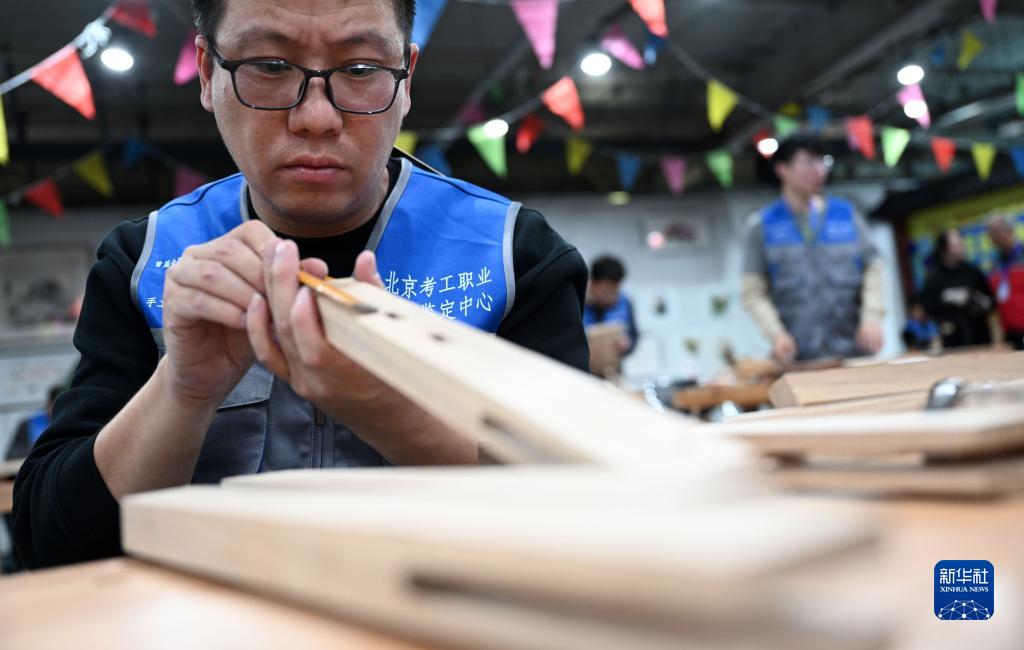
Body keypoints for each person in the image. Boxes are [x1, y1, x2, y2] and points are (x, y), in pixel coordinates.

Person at [13, 0, 589, 569]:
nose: (317, 117)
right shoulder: (145, 263)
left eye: (360, 69)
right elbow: (49, 544)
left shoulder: (510, 257)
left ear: (406, 79)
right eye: (269, 66)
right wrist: (183, 390)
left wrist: (393, 414)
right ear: (208, 73)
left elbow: (590, 517)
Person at [741, 136, 885, 363]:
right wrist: (776, 334)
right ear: (783, 170)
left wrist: (872, 318)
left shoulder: (846, 215)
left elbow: (874, 267)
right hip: (801, 357)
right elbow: (753, 292)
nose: (820, 170)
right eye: (809, 162)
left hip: (855, 352)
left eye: (823, 161)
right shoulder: (761, 226)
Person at [919, 229, 993, 349]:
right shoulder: (934, 277)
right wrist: (945, 298)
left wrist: (974, 298)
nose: (962, 248)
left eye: (962, 244)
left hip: (980, 335)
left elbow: (990, 301)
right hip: (952, 338)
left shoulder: (973, 272)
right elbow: (927, 306)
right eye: (957, 245)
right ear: (944, 249)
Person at [583, 255, 639, 356]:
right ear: (593, 284)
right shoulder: (577, 302)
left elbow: (633, 335)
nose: (611, 295)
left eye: (615, 289)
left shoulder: (625, 302)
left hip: (611, 362)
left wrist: (627, 345)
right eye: (606, 289)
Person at [986, 216, 1024, 350]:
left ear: (1010, 230)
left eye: (996, 233)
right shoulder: (995, 263)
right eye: (990, 234)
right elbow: (996, 300)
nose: (992, 238)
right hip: (1009, 332)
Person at [4, 386, 62, 461]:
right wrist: (35, 451)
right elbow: (11, 455)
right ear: (48, 405)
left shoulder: (69, 426)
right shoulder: (28, 424)